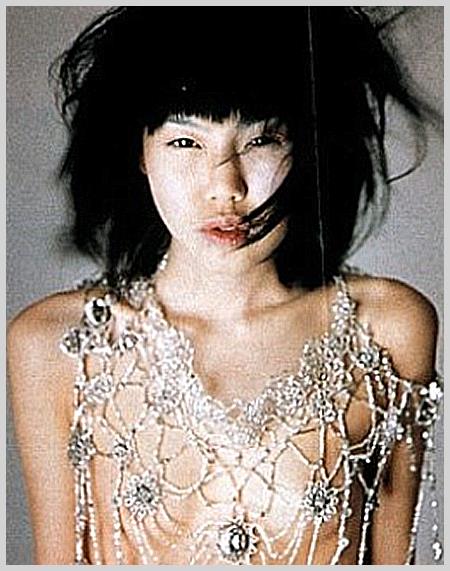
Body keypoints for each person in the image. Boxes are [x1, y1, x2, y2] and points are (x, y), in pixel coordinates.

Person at [7, 7, 443, 565]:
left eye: (262, 140)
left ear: (307, 147)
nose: (226, 187)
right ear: (140, 151)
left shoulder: (385, 331)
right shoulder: (58, 344)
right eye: (186, 143)